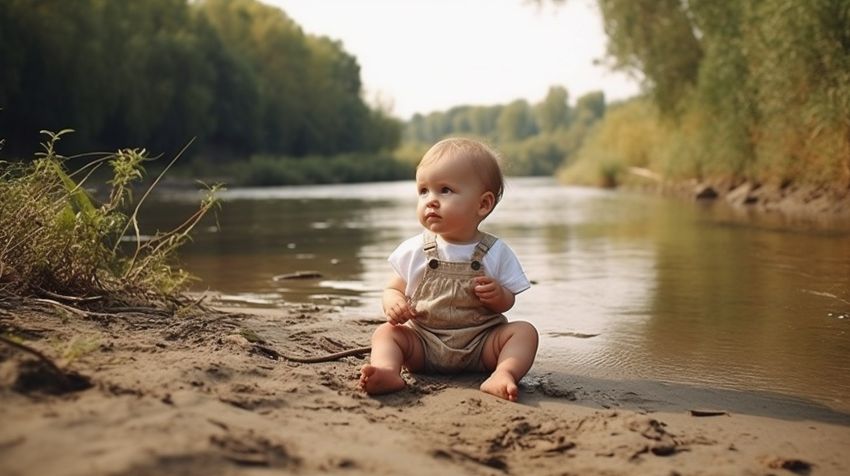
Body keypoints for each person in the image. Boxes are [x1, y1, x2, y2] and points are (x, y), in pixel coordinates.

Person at [359, 137, 538, 402]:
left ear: (483, 204)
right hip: (424, 344)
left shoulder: (496, 251)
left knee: (525, 332)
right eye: (423, 191)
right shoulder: (415, 249)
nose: (431, 200)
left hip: (480, 346)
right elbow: (392, 288)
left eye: (445, 190)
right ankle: (387, 371)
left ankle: (503, 373)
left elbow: (508, 302)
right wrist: (394, 303)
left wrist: (498, 295)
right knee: (386, 333)